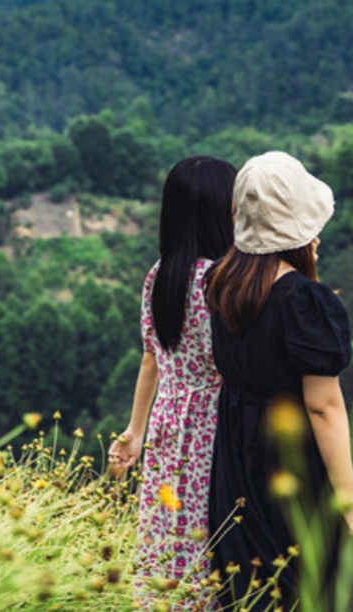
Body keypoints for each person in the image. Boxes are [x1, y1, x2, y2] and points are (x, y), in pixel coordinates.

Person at [205, 151, 353, 611]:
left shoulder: (221, 283)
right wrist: (349, 497)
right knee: (317, 585)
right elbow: (323, 406)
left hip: (236, 451)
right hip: (292, 457)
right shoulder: (304, 301)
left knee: (253, 586)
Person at [109, 155, 237, 611]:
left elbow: (152, 357)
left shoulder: (160, 274)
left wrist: (135, 430)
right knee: (210, 524)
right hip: (216, 420)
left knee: (168, 526)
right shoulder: (226, 281)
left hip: (168, 418)